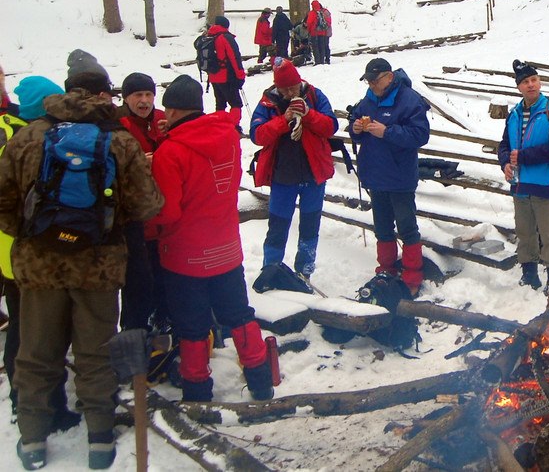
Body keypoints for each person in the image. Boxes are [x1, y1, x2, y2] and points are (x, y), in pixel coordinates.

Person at [0, 49, 164, 470]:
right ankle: (100, 440)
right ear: (105, 96)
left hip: (39, 267)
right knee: (94, 353)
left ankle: (33, 440)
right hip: (99, 266)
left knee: (36, 353)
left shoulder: (28, 137)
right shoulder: (119, 140)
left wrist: (35, 234)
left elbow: (2, 205)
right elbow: (146, 206)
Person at [149, 75, 273, 402]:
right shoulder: (228, 137)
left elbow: (168, 212)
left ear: (172, 111)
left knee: (191, 328)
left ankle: (197, 392)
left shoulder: (170, 152)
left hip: (185, 255)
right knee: (239, 315)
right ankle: (261, 381)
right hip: (226, 250)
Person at [1, 76, 81, 434]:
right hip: (17, 250)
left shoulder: (20, 132)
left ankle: (39, 402)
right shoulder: (18, 139)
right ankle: (26, 402)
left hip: (22, 248)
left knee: (32, 327)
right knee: (26, 329)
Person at [348, 58, 430, 296]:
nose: (371, 85)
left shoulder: (409, 99)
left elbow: (420, 135)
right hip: (375, 174)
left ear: (389, 77)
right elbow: (358, 127)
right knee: (382, 227)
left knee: (406, 226)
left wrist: (387, 132)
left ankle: (412, 275)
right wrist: (356, 129)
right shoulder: (369, 99)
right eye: (368, 81)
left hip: (399, 175)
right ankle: (386, 270)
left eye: (375, 80)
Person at [250, 58, 337, 278]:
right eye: (285, 89)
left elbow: (331, 126)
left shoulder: (315, 96)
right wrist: (284, 119)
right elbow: (257, 135)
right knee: (277, 227)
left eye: (293, 87)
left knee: (310, 225)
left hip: (313, 175)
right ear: (277, 87)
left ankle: (305, 271)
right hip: (283, 176)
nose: (290, 92)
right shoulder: (268, 103)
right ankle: (270, 269)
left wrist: (308, 115)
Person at [497, 60, 549, 291]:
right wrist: (505, 163)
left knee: (548, 232)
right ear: (519, 87)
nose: (531, 85)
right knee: (524, 231)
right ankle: (529, 274)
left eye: (534, 80)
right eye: (526, 82)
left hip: (544, 181)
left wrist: (525, 157)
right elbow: (504, 145)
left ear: (540, 82)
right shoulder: (514, 114)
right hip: (520, 183)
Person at [118, 72, 169, 331]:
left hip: (164, 215)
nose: (144, 100)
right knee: (137, 283)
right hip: (136, 218)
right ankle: (134, 332)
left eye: (149, 94)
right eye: (138, 95)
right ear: (126, 98)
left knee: (164, 277)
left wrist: (169, 133)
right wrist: (142, 164)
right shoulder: (118, 125)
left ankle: (164, 321)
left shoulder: (162, 119)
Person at [206, 16, 246, 132]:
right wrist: (240, 75)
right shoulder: (225, 37)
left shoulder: (209, 37)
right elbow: (234, 57)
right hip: (227, 77)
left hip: (213, 77)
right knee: (236, 103)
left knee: (220, 104)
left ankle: (219, 125)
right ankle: (233, 127)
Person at [306, 0, 331, 65]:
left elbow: (309, 23)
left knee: (315, 47)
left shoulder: (312, 13)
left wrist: (309, 31)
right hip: (322, 32)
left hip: (314, 32)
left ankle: (318, 61)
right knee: (322, 47)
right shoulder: (322, 12)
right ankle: (322, 61)